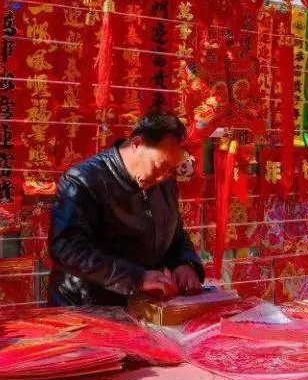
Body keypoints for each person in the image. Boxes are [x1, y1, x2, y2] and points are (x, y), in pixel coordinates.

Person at [48, 113, 205, 307]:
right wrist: (135, 277)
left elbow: (176, 234)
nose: (163, 177)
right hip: (85, 306)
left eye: (171, 170)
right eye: (160, 166)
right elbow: (66, 248)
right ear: (137, 144)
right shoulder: (83, 180)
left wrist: (185, 263)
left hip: (139, 306)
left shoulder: (165, 183)